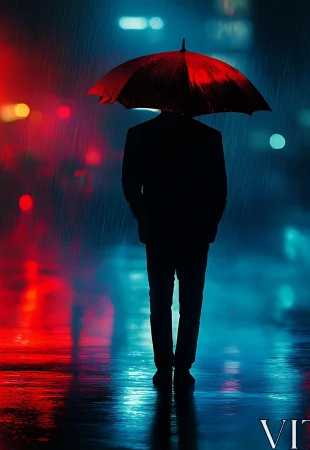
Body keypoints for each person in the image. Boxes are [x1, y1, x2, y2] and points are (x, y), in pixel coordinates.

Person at [121, 110, 227, 388]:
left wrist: (144, 216)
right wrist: (209, 223)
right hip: (195, 232)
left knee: (159, 299)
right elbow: (219, 190)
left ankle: (164, 364)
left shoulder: (141, 134)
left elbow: (130, 185)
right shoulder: (208, 137)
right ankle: (182, 364)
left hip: (159, 231)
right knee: (191, 301)